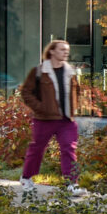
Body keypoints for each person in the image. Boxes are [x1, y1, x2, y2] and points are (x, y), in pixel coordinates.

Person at [19, 39, 85, 184]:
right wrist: (41, 107)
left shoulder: (70, 72)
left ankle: (72, 183)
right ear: (52, 51)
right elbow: (26, 93)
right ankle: (26, 178)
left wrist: (74, 107)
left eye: (67, 50)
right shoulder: (39, 71)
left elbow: (77, 91)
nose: (66, 52)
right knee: (37, 149)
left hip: (66, 120)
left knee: (69, 149)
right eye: (62, 49)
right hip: (44, 119)